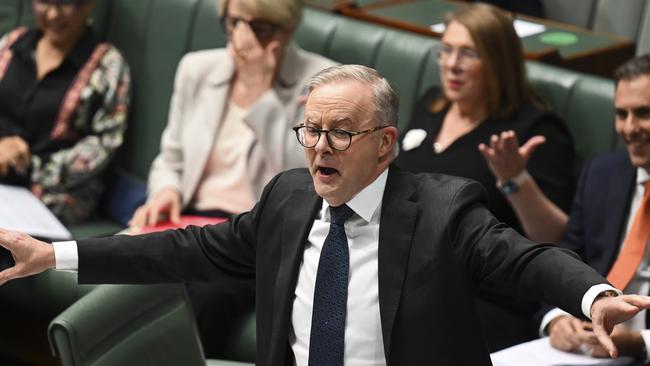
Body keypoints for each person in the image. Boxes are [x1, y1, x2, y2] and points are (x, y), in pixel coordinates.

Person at [0, 64, 645, 366]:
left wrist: (593, 295)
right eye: (310, 132)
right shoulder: (286, 199)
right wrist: (55, 253)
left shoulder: (446, 211)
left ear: (385, 144)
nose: (319, 150)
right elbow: (184, 248)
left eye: (340, 133)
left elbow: (527, 259)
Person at [125, 0, 335, 357]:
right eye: (234, 22)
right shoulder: (198, 69)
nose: (241, 37)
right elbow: (171, 155)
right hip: (189, 218)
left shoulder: (322, 84)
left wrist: (261, 93)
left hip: (254, 234)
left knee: (208, 294)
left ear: (286, 30)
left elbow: (303, 181)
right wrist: (166, 190)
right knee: (113, 267)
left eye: (259, 28)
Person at [394, 3, 574, 351]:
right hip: (404, 274)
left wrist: (515, 179)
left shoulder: (533, 129)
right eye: (445, 50)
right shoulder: (431, 105)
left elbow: (556, 238)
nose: (451, 64)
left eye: (468, 54)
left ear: (498, 61)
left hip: (482, 295)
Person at [540, 54, 650, 361]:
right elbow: (562, 261)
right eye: (621, 114)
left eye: (644, 113)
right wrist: (556, 319)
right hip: (586, 349)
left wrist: (640, 342)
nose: (629, 129)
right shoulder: (601, 174)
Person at [0, 0, 130, 224]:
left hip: (54, 196)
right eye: (44, 2)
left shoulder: (108, 66)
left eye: (66, 3)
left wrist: (30, 164)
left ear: (89, 5)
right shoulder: (11, 44)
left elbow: (104, 144)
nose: (52, 14)